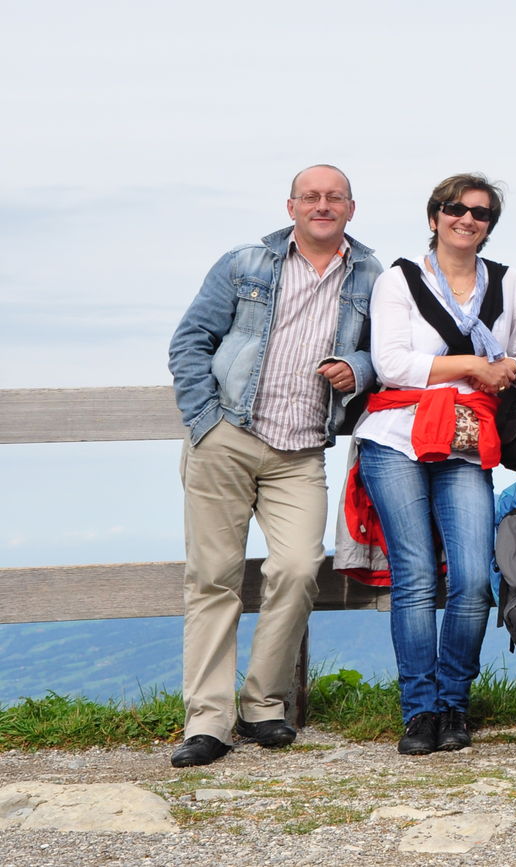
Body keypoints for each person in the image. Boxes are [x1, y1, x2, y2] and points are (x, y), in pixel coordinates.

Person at [166, 165, 381, 767]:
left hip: (301, 449)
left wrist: (358, 368)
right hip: (228, 437)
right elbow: (190, 341)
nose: (322, 205)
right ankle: (208, 721)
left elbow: (384, 352)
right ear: (291, 207)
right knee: (214, 578)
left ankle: (264, 705)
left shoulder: (372, 275)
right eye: (310, 196)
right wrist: (206, 419)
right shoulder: (245, 263)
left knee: (298, 568)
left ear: (351, 208)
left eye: (333, 197)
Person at [353, 173, 516, 755]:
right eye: (455, 208)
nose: (467, 219)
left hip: (466, 438)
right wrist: (473, 366)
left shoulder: (508, 284)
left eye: (480, 213)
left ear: (490, 226)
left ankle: (454, 702)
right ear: (434, 216)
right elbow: (391, 364)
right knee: (415, 576)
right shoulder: (398, 280)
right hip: (397, 436)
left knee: (471, 578)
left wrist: (512, 369)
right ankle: (420, 709)